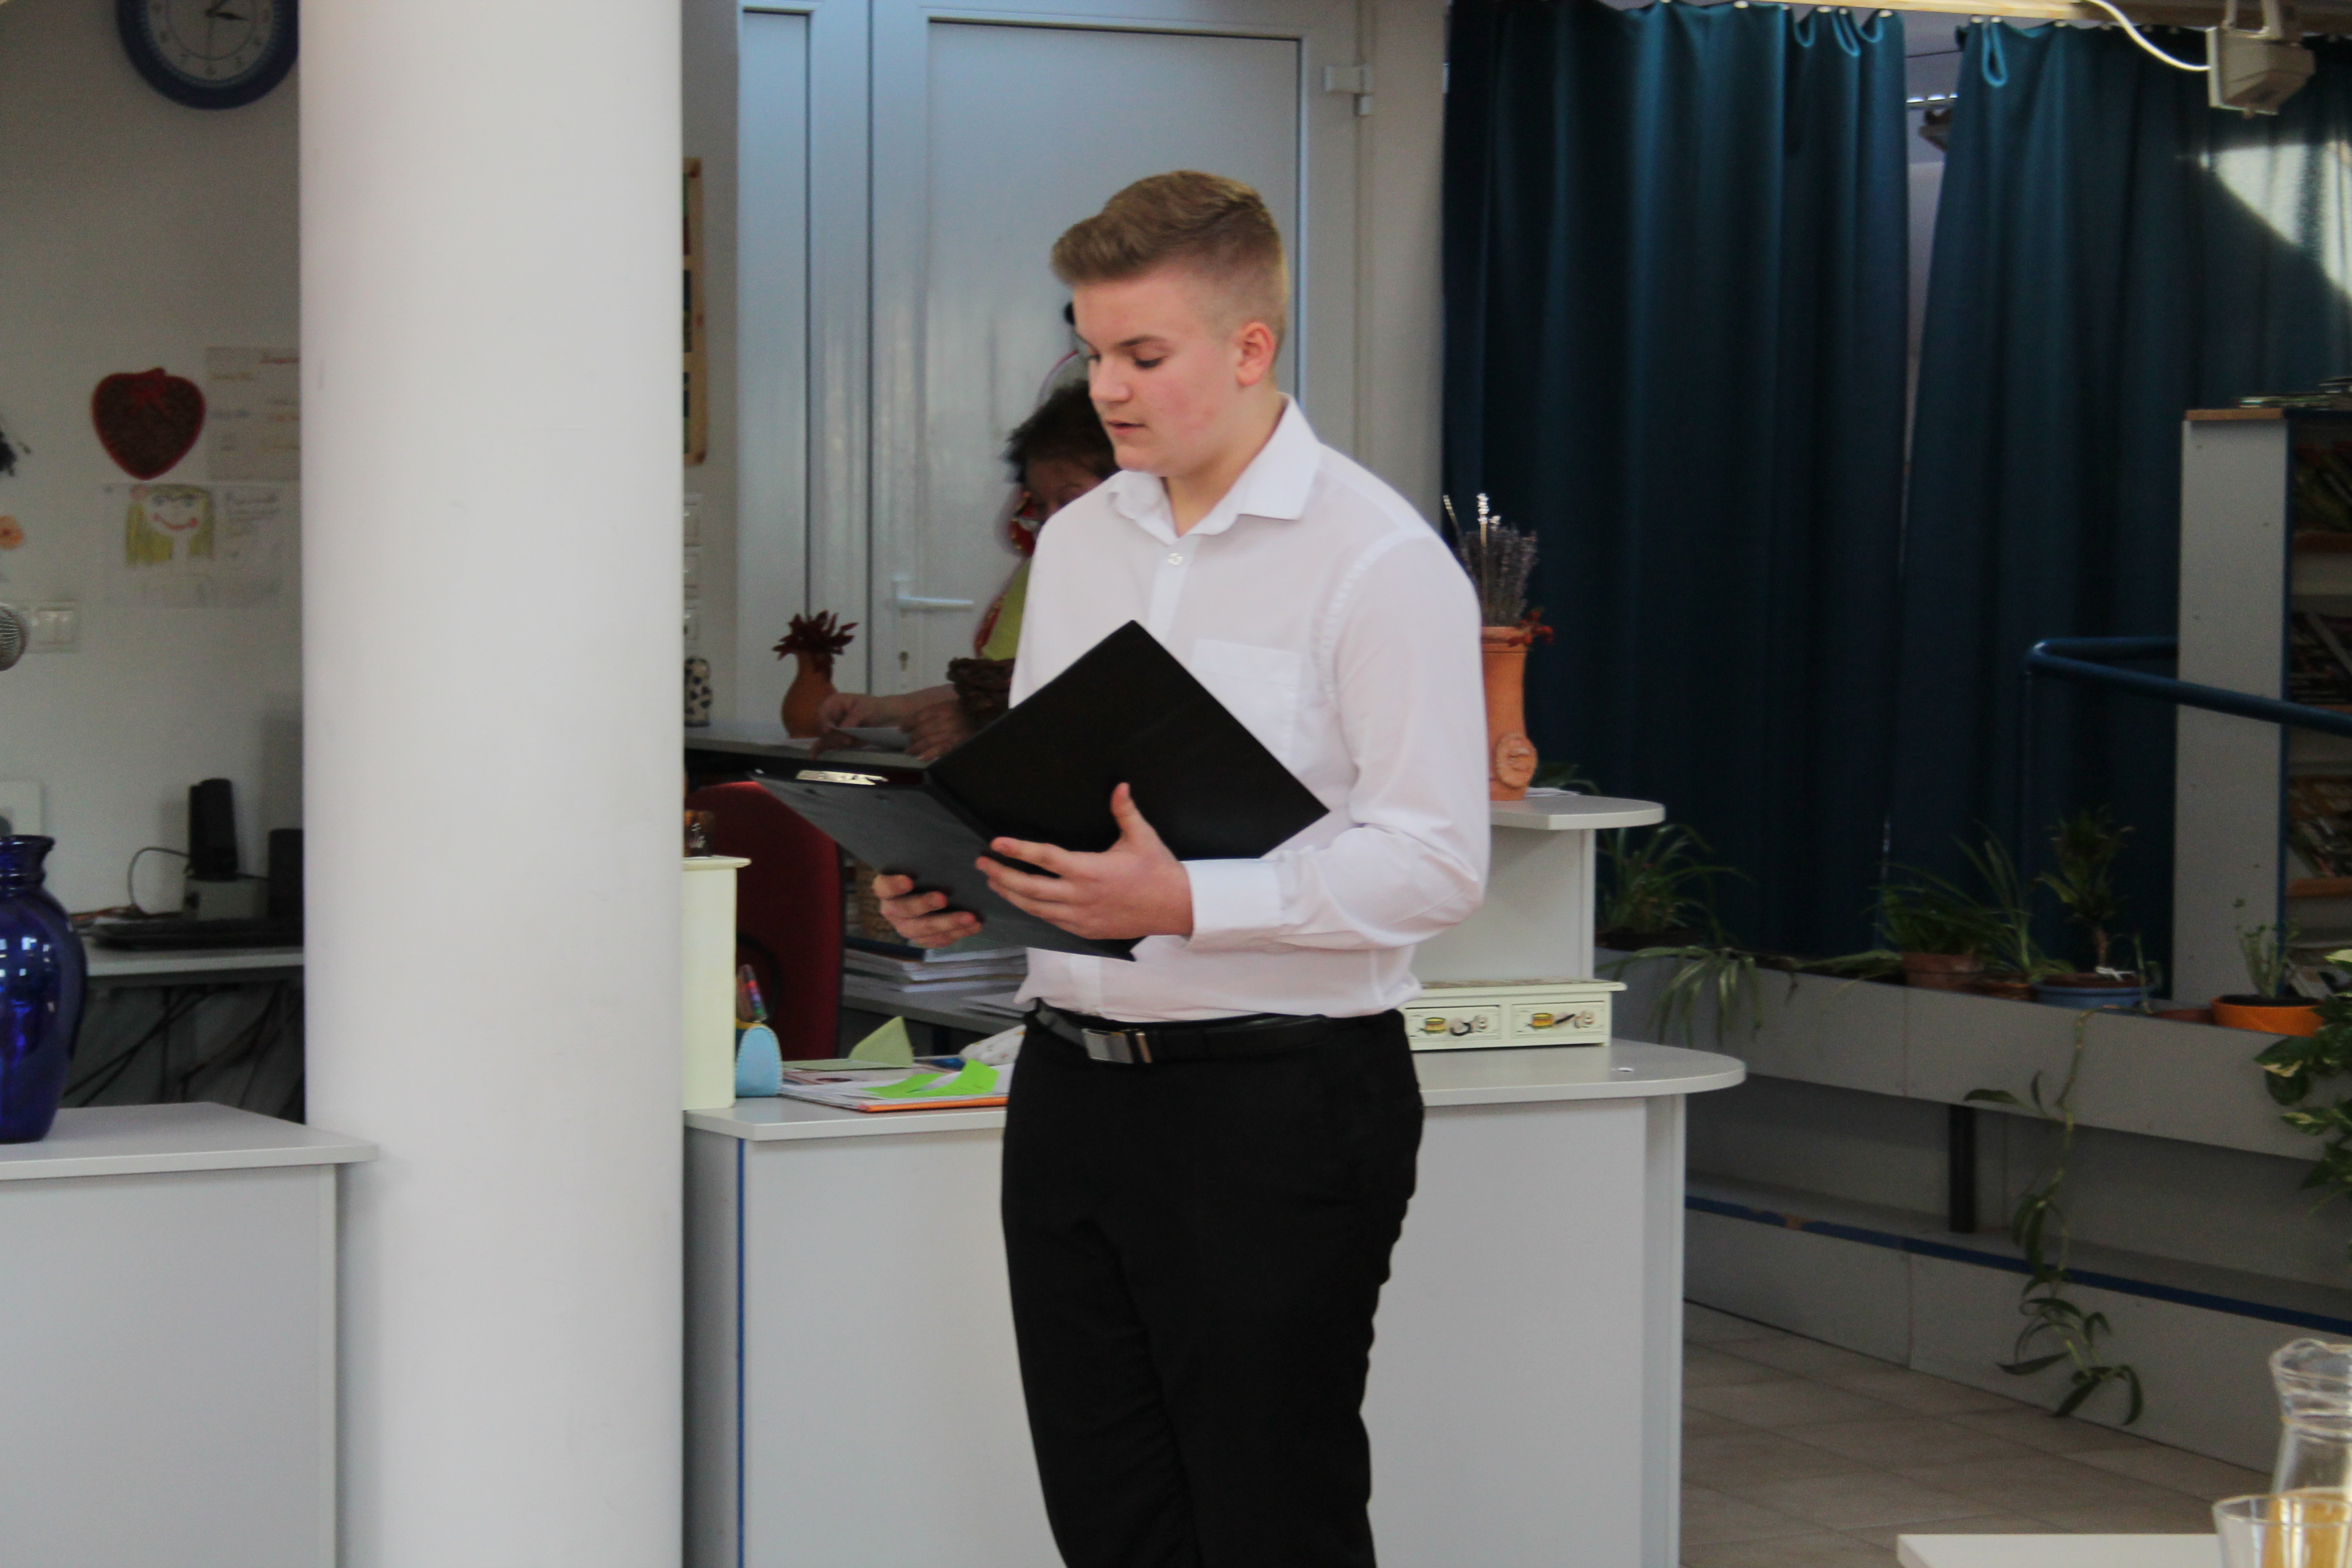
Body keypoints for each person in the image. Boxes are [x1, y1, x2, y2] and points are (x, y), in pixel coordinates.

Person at [873, 171, 1489, 1568]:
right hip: (1071, 1088)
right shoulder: (1084, 541)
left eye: (1143, 354)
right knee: (1108, 1517)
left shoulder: (1379, 559)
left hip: (1277, 1102)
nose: (1107, 388)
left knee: (1270, 1518)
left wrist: (1192, 901)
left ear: (1250, 346)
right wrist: (958, 883)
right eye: (1092, 352)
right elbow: (1057, 806)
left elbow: (1437, 861)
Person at [818, 381, 1116, 758]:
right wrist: (883, 711)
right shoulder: (1039, 573)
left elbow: (1116, 704)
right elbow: (999, 687)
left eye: (1071, 501)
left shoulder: (1161, 573)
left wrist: (982, 723)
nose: (1050, 523)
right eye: (1040, 506)